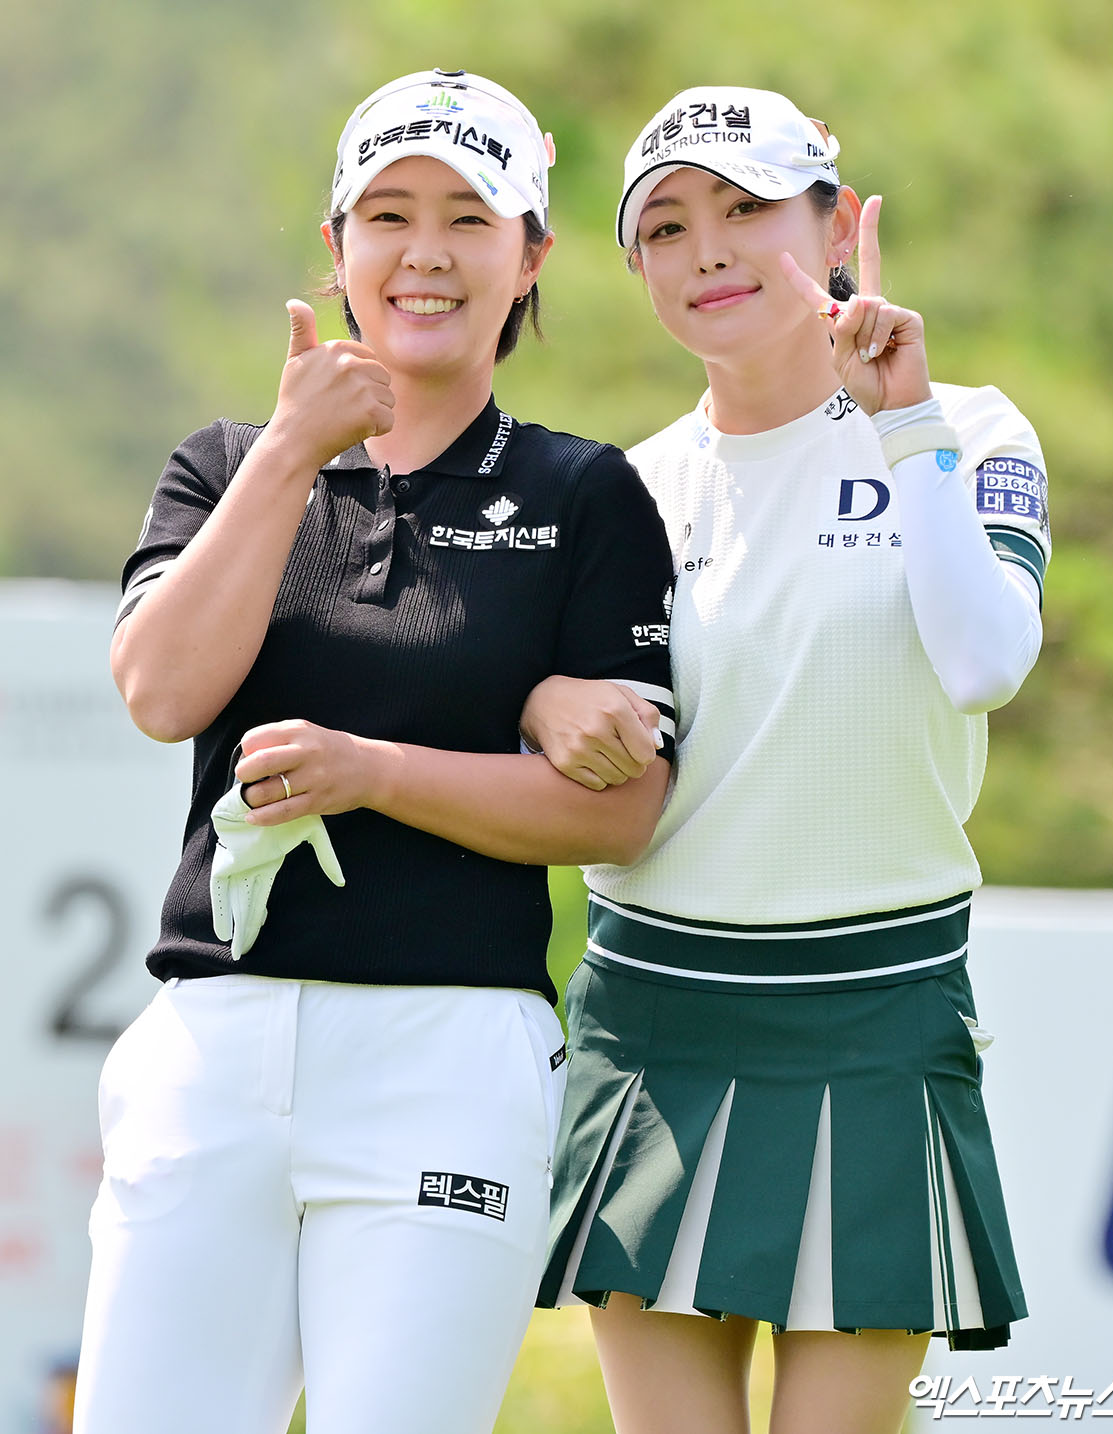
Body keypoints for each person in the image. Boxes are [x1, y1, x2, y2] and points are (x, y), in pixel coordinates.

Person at [73, 69, 676, 1434]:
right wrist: (292, 450)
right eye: (390, 214)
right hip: (214, 1043)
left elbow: (622, 810)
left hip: (450, 1053)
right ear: (336, 246)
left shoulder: (585, 492)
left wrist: (376, 772)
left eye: (469, 218)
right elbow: (162, 690)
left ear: (531, 255)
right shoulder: (228, 461)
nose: (426, 253)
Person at [528, 86, 1050, 1434]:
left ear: (838, 224)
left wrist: (904, 420)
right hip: (659, 1019)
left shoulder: (970, 429)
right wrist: (543, 700)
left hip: (879, 1010)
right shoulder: (622, 490)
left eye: (747, 207)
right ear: (636, 269)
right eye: (665, 227)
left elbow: (983, 661)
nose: (706, 249)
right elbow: (566, 728)